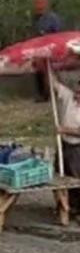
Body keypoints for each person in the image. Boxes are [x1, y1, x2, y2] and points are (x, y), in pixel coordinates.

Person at [52, 75, 80, 208]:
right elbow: (54, 84)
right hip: (63, 144)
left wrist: (64, 129)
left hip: (77, 148)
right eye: (77, 91)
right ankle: (63, 205)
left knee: (76, 179)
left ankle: (77, 208)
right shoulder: (69, 97)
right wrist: (47, 69)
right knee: (59, 174)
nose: (77, 95)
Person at [34, 0, 63, 101]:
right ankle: (43, 94)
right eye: (37, 4)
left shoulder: (52, 18)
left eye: (41, 4)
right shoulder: (36, 19)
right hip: (39, 47)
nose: (38, 7)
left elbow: (58, 33)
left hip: (50, 46)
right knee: (39, 71)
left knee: (50, 71)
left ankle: (55, 92)